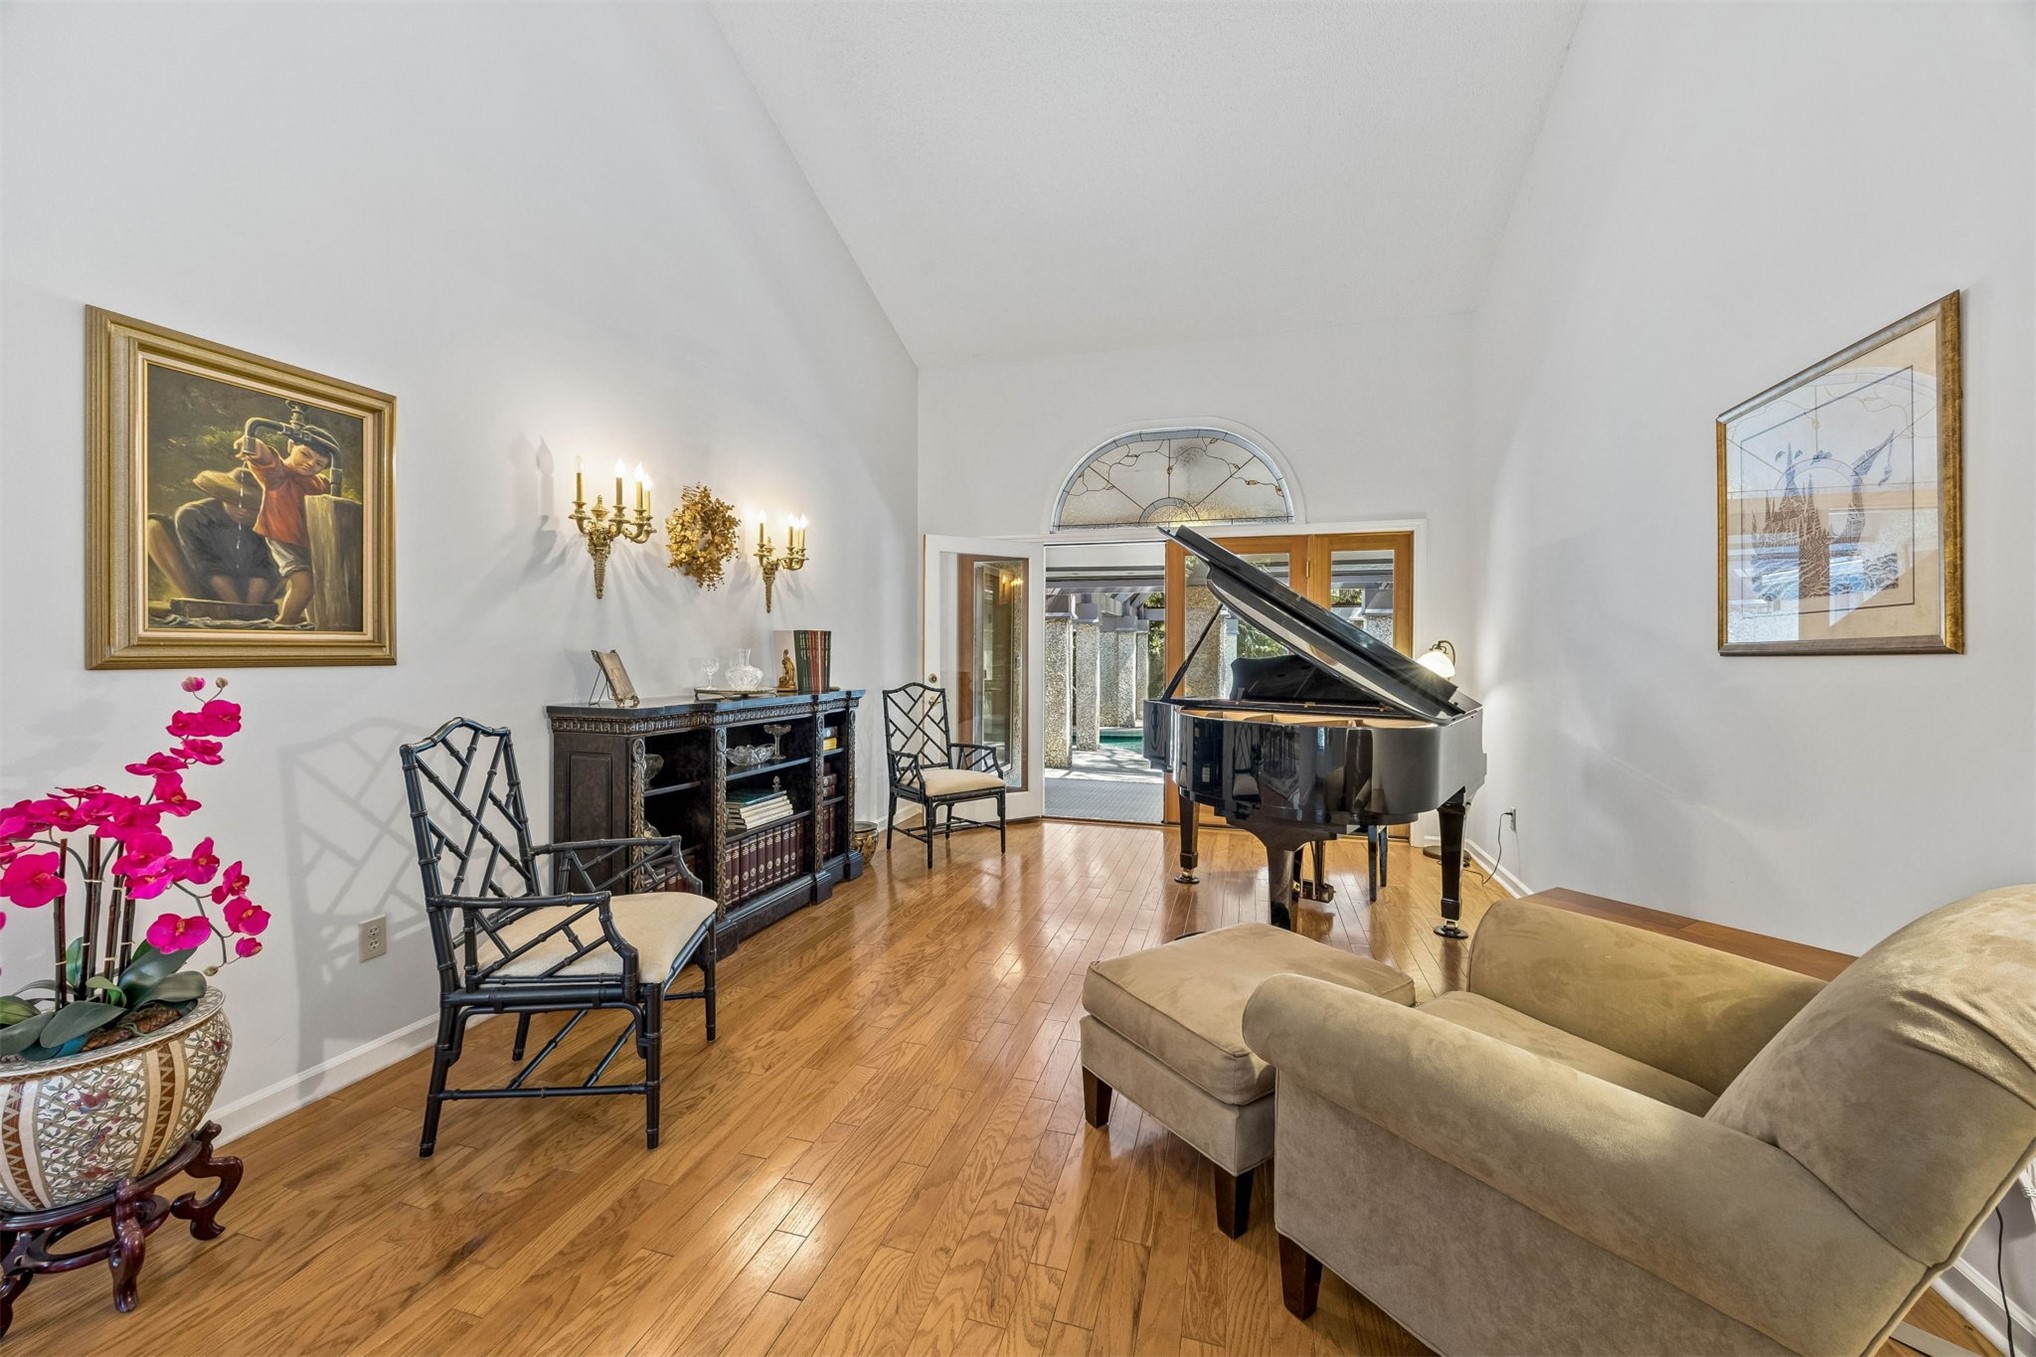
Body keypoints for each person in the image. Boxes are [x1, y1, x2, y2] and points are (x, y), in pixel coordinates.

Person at [236, 431, 336, 627]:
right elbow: (266, 458)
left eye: (319, 463)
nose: (310, 464)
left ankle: (306, 619)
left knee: (318, 583)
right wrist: (253, 445)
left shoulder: (320, 482)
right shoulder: (279, 474)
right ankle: (284, 622)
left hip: (309, 540)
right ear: (291, 445)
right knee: (304, 583)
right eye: (306, 454)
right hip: (283, 537)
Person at [175, 468, 278, 606]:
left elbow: (264, 568)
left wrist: (250, 608)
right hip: (209, 586)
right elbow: (207, 564)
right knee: (154, 527)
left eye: (251, 504)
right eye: (235, 500)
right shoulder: (194, 515)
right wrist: (235, 605)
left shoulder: (269, 523)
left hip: (255, 591)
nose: (243, 509)